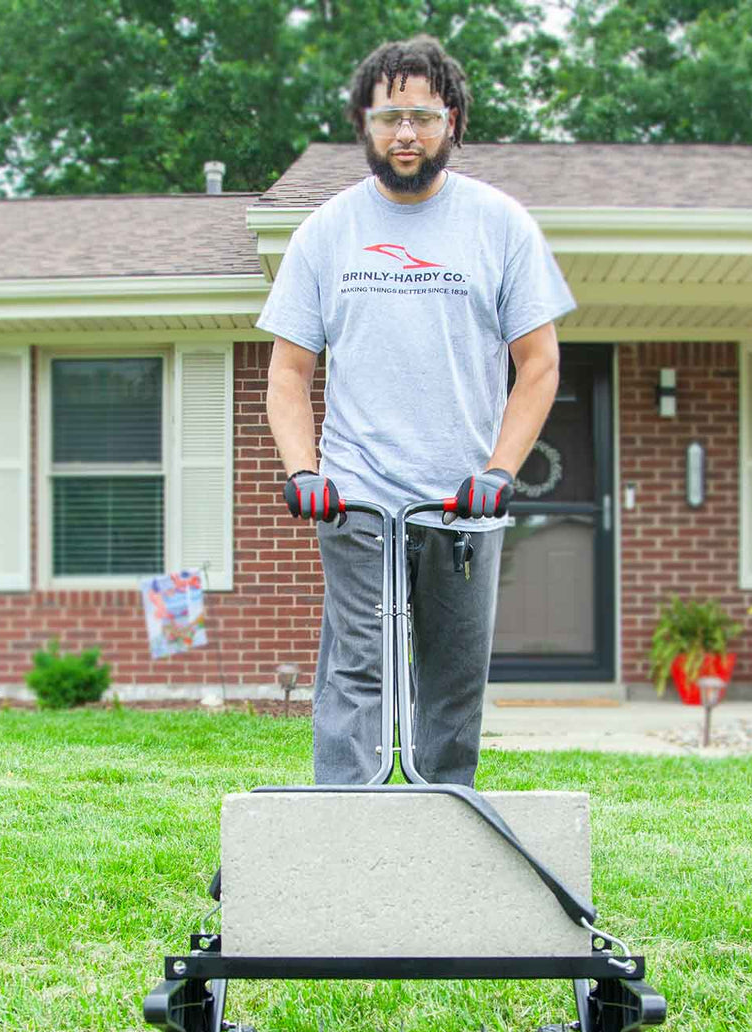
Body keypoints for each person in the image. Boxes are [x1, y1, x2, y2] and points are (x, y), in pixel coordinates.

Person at [257, 35, 576, 786]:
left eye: (423, 117)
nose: (406, 133)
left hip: (462, 501)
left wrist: (500, 471)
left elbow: (539, 364)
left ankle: (446, 813)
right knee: (356, 671)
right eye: (389, 116)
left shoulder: (500, 226)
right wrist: (304, 470)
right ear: (365, 124)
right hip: (357, 497)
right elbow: (288, 372)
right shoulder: (326, 232)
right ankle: (343, 810)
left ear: (453, 122)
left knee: (454, 681)